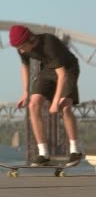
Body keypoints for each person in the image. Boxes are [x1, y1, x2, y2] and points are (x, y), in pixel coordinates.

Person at [9, 24, 82, 166]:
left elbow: (62, 75)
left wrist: (55, 102)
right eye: (18, 48)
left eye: (22, 47)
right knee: (33, 105)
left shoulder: (49, 43)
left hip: (68, 69)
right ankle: (43, 154)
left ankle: (75, 151)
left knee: (65, 106)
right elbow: (25, 67)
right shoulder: (22, 48)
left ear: (30, 39)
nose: (21, 51)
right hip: (48, 70)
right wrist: (26, 92)